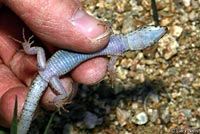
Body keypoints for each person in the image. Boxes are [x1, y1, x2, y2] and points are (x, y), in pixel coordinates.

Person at [0, 0, 110, 127]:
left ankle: (56, 102)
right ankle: (56, 102)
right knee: (62, 93)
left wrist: (28, 49)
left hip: (45, 69)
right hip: (50, 74)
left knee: (63, 92)